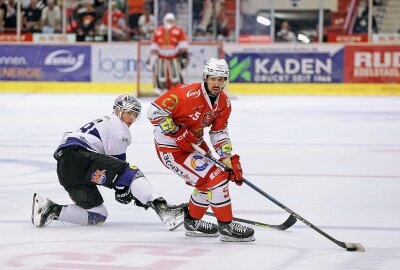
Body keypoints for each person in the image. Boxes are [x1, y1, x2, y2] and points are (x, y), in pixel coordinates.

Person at [32, 94, 185, 231]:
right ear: (118, 110)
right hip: (79, 157)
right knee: (132, 173)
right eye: (129, 113)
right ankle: (163, 208)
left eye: (135, 115)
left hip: (66, 169)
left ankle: (50, 210)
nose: (132, 118)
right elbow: (121, 170)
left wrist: (126, 190)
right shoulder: (119, 128)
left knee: (97, 215)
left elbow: (113, 170)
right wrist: (125, 190)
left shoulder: (106, 122)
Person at [147, 58, 255, 242]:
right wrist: (175, 130)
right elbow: (153, 111)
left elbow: (218, 131)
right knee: (217, 180)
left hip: (192, 143)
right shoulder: (184, 94)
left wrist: (226, 156)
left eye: (222, 79)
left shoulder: (224, 103)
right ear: (205, 78)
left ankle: (193, 222)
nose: (217, 83)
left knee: (215, 176)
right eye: (214, 78)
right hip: (171, 148)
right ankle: (227, 227)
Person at [146, 12, 189, 95]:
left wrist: (184, 55)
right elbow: (154, 45)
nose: (169, 22)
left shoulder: (178, 30)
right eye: (168, 20)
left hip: (174, 57)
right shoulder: (159, 31)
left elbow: (183, 45)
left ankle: (179, 89)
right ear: (164, 20)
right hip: (161, 57)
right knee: (161, 74)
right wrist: (152, 56)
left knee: (176, 74)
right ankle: (160, 89)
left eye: (171, 20)